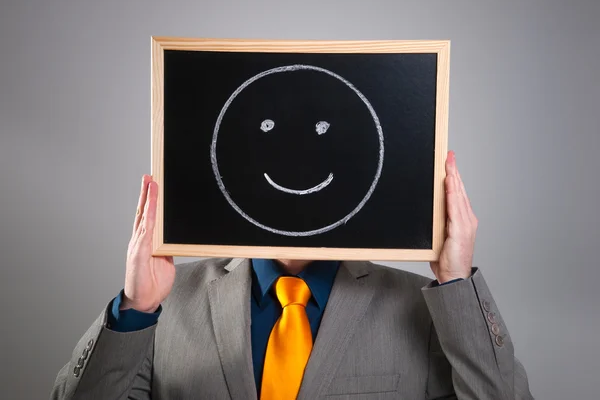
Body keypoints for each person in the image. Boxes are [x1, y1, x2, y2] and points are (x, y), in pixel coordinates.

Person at [50, 151, 533, 399]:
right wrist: (135, 310)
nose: (295, 159)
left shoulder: (426, 311)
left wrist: (456, 286)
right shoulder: (165, 306)